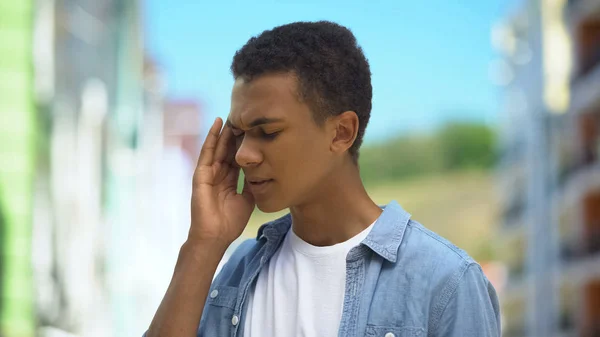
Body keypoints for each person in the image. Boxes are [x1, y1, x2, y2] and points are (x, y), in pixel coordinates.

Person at [145, 20, 500, 337]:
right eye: (238, 133)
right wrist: (204, 244)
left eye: (267, 132)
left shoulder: (446, 283)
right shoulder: (239, 269)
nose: (242, 155)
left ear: (341, 133)